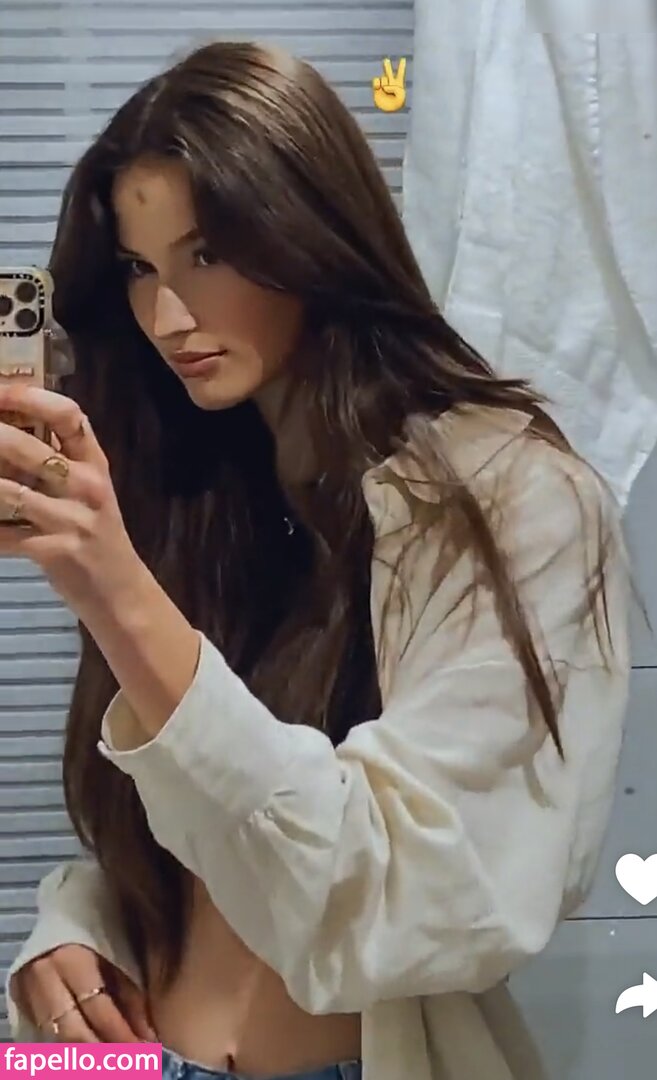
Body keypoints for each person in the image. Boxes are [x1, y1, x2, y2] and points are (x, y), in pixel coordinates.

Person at [0, 40, 630, 1080]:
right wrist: (81, 924)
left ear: (311, 232)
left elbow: (405, 898)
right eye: (141, 269)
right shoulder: (205, 489)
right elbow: (197, 826)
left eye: (208, 254)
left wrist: (112, 589)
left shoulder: (511, 500)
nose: (167, 318)